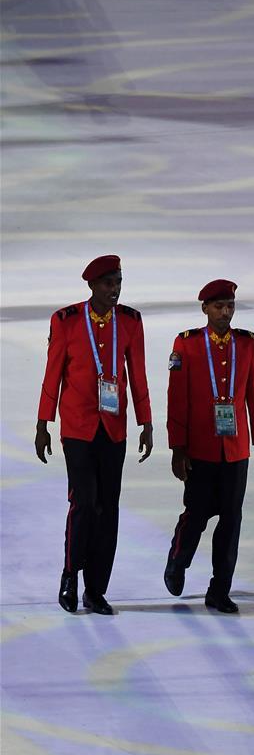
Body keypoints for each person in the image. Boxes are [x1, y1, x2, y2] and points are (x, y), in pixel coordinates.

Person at [35, 255, 153, 616]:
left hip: (113, 427)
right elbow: (53, 372)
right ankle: (71, 574)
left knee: (109, 509)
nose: (114, 290)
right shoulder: (67, 320)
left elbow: (138, 374)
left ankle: (96, 589)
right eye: (107, 283)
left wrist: (146, 422)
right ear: (92, 286)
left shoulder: (130, 322)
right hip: (77, 426)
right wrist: (43, 423)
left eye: (118, 282)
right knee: (84, 502)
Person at [164, 279, 254, 614]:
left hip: (235, 450)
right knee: (195, 515)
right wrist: (177, 447)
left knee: (231, 521)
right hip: (200, 449)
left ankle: (219, 588)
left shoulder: (248, 344)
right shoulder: (187, 345)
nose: (225, 313)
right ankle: (178, 559)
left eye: (230, 306)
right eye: (218, 306)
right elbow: (177, 399)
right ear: (205, 309)